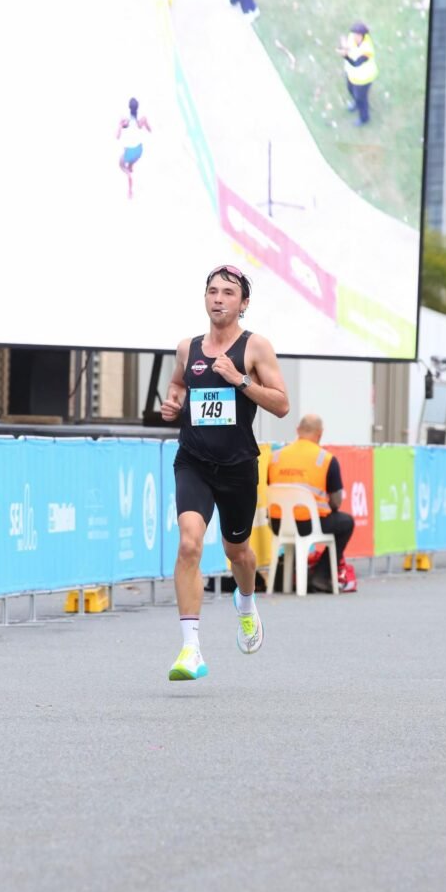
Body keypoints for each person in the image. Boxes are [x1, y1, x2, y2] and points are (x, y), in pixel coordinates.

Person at [160, 264, 289, 680]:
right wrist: (173, 403)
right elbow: (179, 384)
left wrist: (240, 381)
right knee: (189, 544)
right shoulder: (187, 348)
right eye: (212, 291)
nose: (218, 298)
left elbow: (282, 405)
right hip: (193, 461)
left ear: (243, 303)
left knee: (238, 553)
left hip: (237, 466)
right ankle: (190, 650)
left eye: (228, 293)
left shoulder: (256, 348)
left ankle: (246, 604)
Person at [267, 414, 357, 593]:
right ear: (320, 433)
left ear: (297, 430)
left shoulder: (276, 457)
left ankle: (297, 575)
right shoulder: (325, 459)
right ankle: (321, 576)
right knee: (346, 522)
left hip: (277, 524)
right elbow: (336, 502)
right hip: (307, 525)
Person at [336, 22, 378, 126]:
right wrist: (343, 46)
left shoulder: (367, 49)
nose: (355, 36)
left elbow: (357, 63)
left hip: (364, 78)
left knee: (361, 99)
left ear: (363, 35)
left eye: (357, 35)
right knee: (350, 90)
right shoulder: (352, 37)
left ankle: (364, 118)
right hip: (352, 74)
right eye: (354, 34)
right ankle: (355, 103)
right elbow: (348, 47)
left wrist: (345, 56)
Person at [116, 98, 151, 200]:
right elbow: (149, 130)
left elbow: (117, 137)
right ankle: (131, 165)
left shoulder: (124, 122)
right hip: (139, 151)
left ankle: (129, 182)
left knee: (121, 164)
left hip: (129, 153)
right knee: (132, 156)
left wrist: (119, 125)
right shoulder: (141, 121)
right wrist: (145, 125)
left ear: (129, 108)